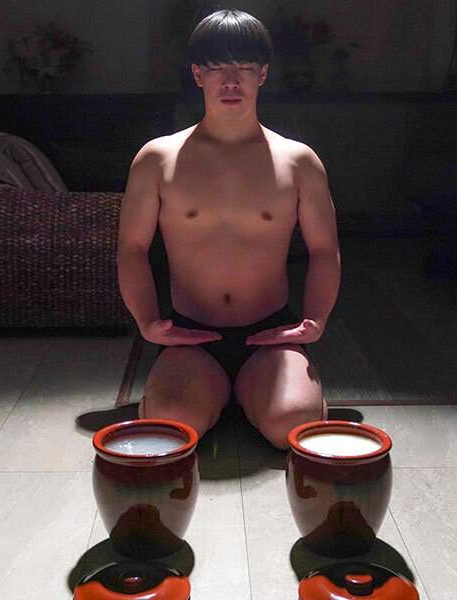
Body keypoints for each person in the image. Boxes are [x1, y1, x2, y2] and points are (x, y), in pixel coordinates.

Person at [116, 8, 340, 450]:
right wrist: (148, 322)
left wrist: (315, 320)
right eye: (218, 68)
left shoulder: (299, 161)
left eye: (245, 68)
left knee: (291, 427)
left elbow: (325, 249)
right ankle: (205, 396)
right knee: (172, 427)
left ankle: (274, 397)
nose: (231, 82)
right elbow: (131, 248)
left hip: (269, 334)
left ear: (263, 74)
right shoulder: (157, 158)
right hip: (191, 334)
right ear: (197, 74)